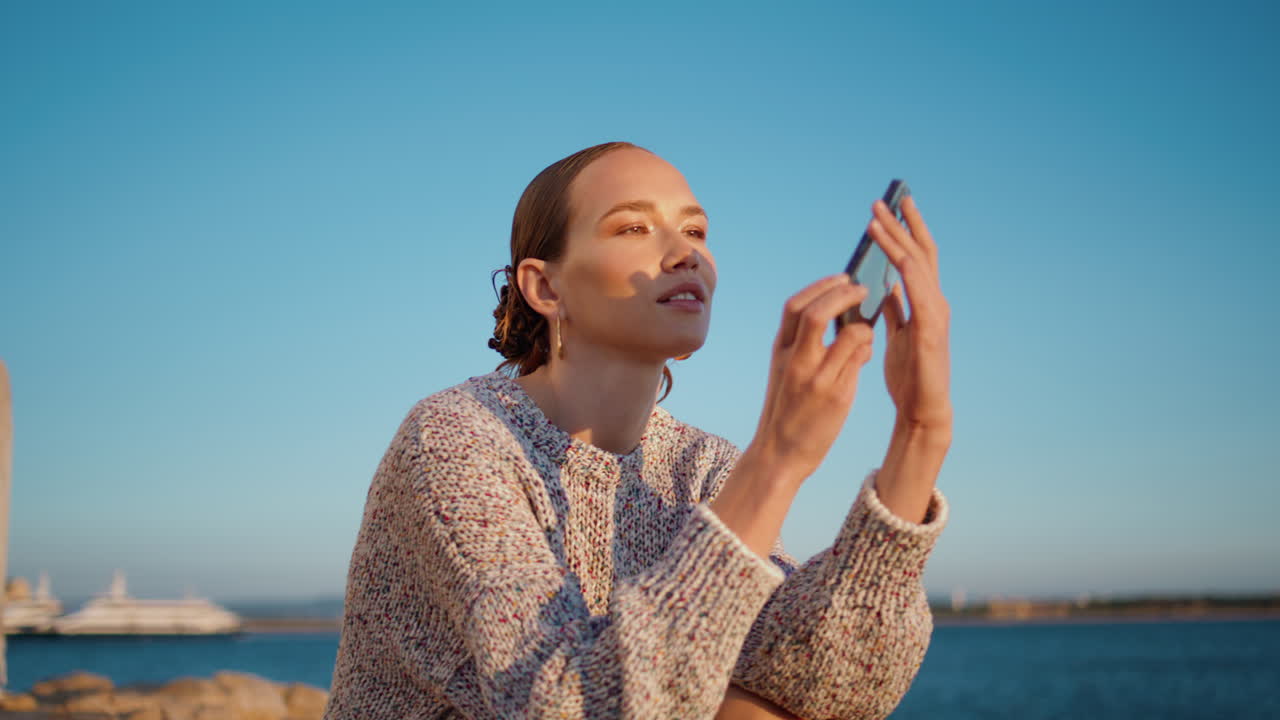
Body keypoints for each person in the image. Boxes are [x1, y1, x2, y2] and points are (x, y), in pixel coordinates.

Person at [322, 142, 952, 720]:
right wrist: (777, 460)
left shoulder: (701, 466)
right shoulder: (456, 438)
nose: (686, 253)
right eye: (634, 228)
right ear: (544, 286)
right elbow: (567, 706)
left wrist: (920, 435)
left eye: (695, 230)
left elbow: (834, 683)